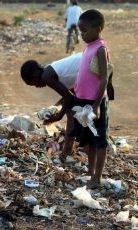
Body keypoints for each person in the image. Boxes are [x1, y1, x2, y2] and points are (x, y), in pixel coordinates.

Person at [72, 9, 111, 189]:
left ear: (98, 28)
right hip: (84, 101)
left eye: (85, 30)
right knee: (89, 139)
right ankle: (90, 171)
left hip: (95, 103)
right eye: (80, 30)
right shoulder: (89, 47)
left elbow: (104, 77)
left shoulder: (100, 49)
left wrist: (96, 105)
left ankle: (97, 177)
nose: (82, 34)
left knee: (99, 139)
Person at [20, 53, 81, 160]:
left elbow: (69, 98)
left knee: (71, 113)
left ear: (34, 76)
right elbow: (70, 93)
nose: (37, 87)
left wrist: (58, 117)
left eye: (33, 84)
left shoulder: (46, 76)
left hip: (90, 64)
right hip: (88, 62)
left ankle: (66, 152)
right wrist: (54, 108)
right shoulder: (50, 70)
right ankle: (78, 148)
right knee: (75, 111)